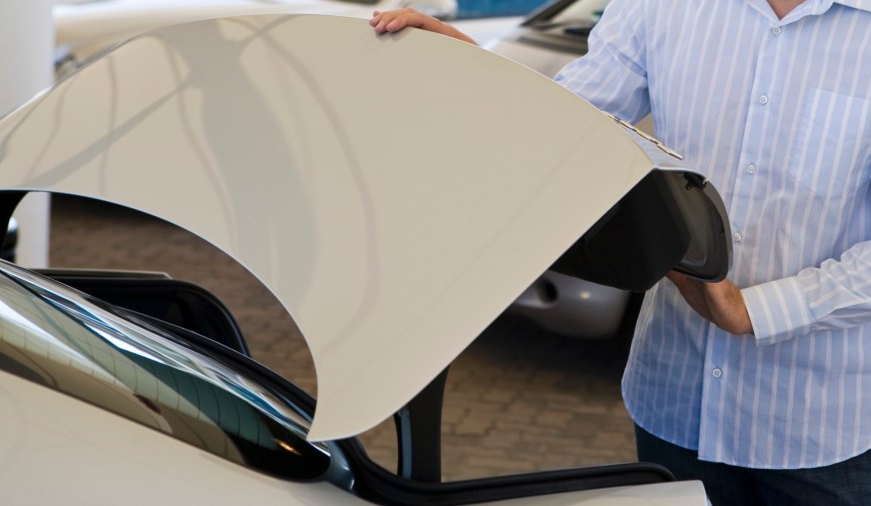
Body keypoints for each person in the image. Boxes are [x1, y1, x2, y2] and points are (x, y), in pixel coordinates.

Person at [371, 1, 871, 504]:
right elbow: (570, 124)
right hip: (675, 405)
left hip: (820, 434)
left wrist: (752, 311)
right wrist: (469, 68)